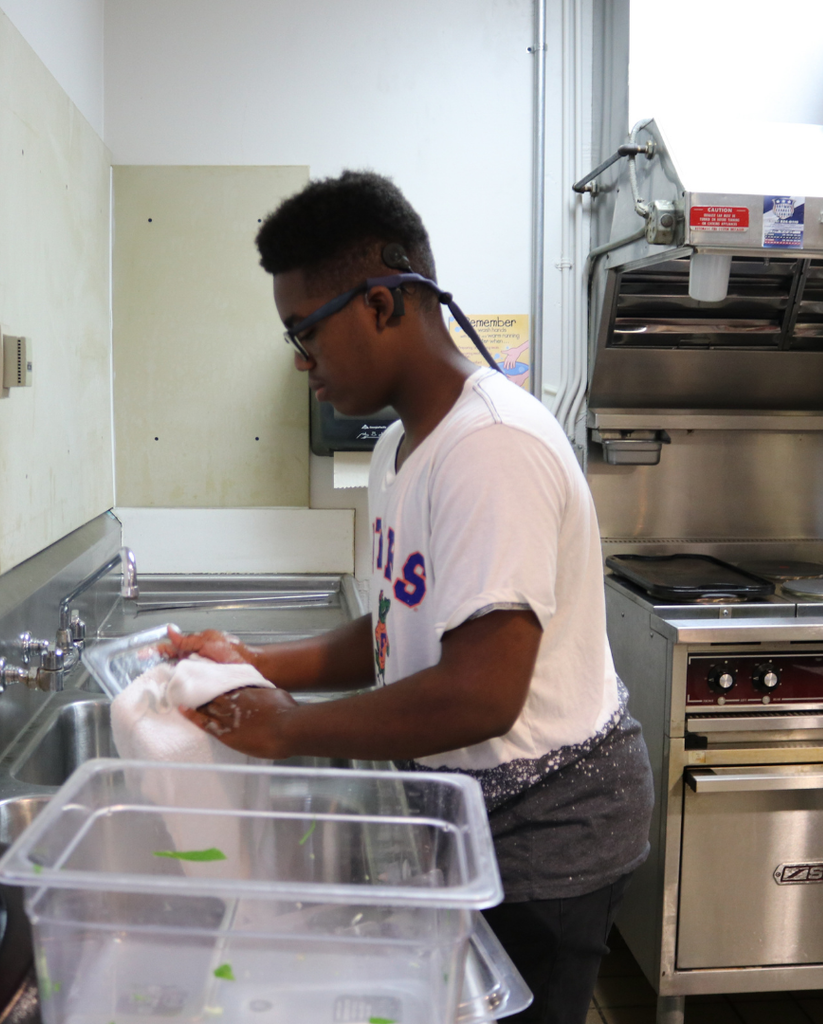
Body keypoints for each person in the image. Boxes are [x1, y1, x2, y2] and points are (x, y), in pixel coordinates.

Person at [166, 170, 654, 1024]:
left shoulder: (491, 450)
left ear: (382, 305)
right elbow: (400, 625)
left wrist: (286, 730)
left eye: (304, 332)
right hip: (470, 813)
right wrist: (256, 663)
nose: (299, 361)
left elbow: (481, 694)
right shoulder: (402, 446)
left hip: (552, 831)